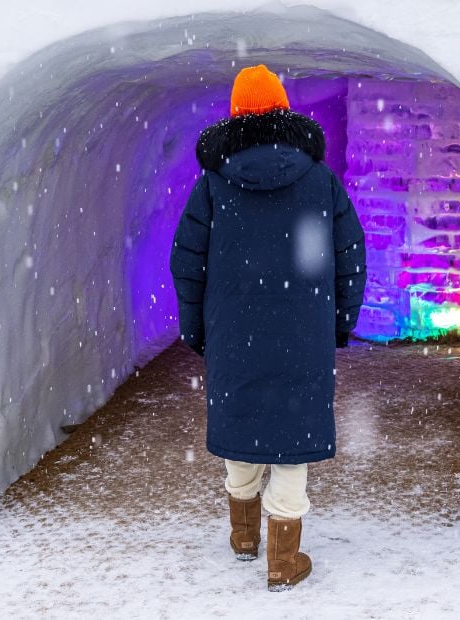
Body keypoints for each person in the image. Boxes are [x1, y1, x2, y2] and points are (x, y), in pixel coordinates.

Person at [169, 64, 366, 591]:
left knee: (242, 421)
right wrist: (340, 321)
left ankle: (243, 537)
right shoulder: (319, 179)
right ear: (284, 111)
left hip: (233, 328)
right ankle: (284, 559)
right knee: (293, 433)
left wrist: (197, 329)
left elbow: (187, 263)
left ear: (235, 116)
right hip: (303, 326)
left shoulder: (212, 184)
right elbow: (349, 255)